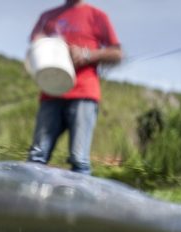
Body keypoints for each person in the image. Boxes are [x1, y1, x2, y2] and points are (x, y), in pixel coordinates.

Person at [27, 1, 122, 175]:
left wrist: (87, 54)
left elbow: (117, 53)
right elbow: (35, 43)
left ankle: (81, 201)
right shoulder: (47, 17)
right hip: (51, 93)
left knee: (79, 159)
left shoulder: (97, 16)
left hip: (84, 95)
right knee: (37, 155)